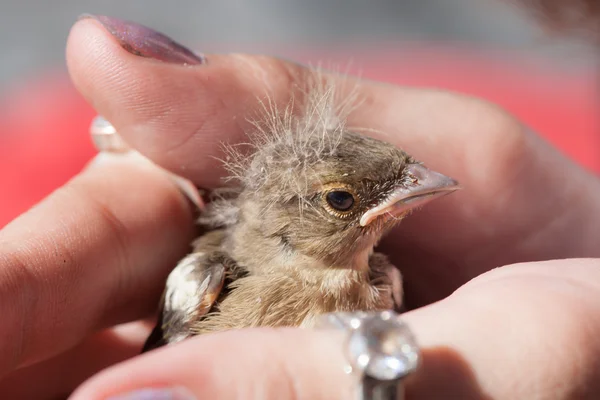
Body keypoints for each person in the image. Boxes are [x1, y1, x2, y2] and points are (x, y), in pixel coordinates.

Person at [0, 7, 599, 399]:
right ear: (284, 220)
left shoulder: (382, 281)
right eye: (342, 199)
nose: (421, 187)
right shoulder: (211, 279)